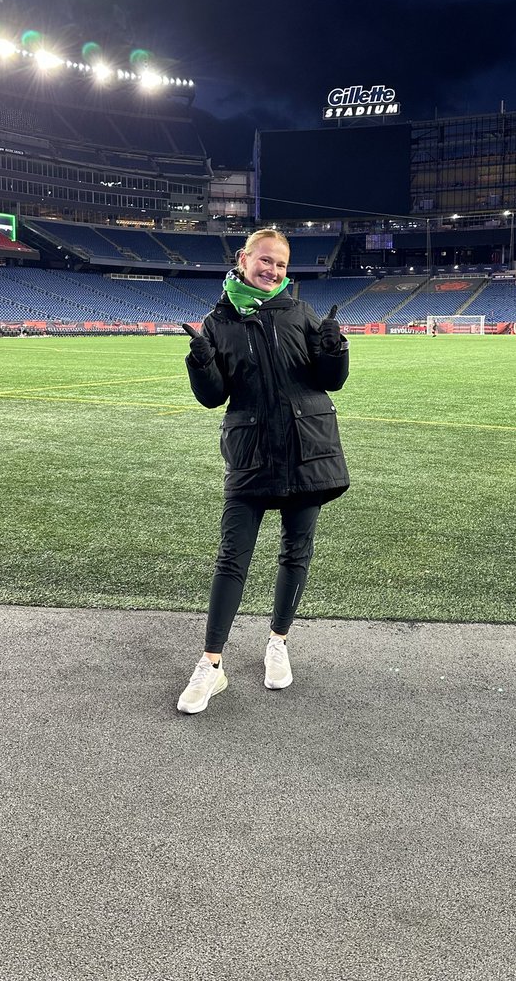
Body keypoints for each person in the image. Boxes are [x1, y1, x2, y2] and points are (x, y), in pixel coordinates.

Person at [177, 229, 350, 715]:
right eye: (264, 261)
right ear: (244, 258)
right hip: (252, 452)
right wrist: (202, 362)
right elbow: (213, 396)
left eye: (279, 264)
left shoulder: (299, 313)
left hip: (305, 449)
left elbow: (330, 381)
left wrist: (335, 348)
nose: (271, 270)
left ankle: (278, 641)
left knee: (296, 550)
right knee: (232, 557)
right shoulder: (218, 321)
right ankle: (211, 666)